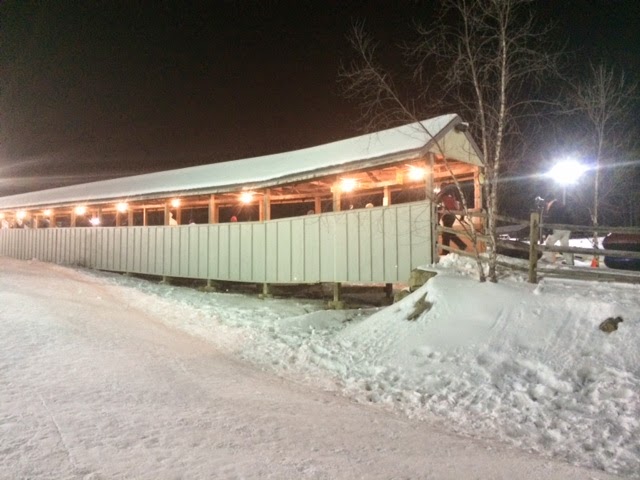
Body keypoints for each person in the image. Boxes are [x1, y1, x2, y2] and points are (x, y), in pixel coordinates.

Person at [436, 183, 466, 253]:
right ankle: (449, 249)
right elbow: (458, 204)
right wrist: (462, 215)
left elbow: (438, 206)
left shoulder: (442, 195)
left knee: (446, 233)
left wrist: (437, 221)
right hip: (452, 215)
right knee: (447, 232)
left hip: (447, 215)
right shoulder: (452, 194)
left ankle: (447, 250)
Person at [543, 197, 574, 265]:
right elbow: (570, 216)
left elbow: (550, 219)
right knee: (565, 246)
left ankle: (550, 260)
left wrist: (549, 230)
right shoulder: (563, 206)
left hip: (557, 228)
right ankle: (570, 262)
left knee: (548, 244)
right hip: (567, 228)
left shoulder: (552, 208)